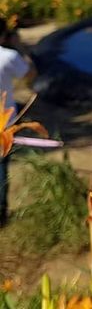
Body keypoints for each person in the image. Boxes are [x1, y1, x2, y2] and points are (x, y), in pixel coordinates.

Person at [0, 19, 36, 226]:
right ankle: (1, 213)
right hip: (5, 123)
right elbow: (30, 75)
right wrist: (21, 47)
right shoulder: (9, 56)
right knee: (2, 165)